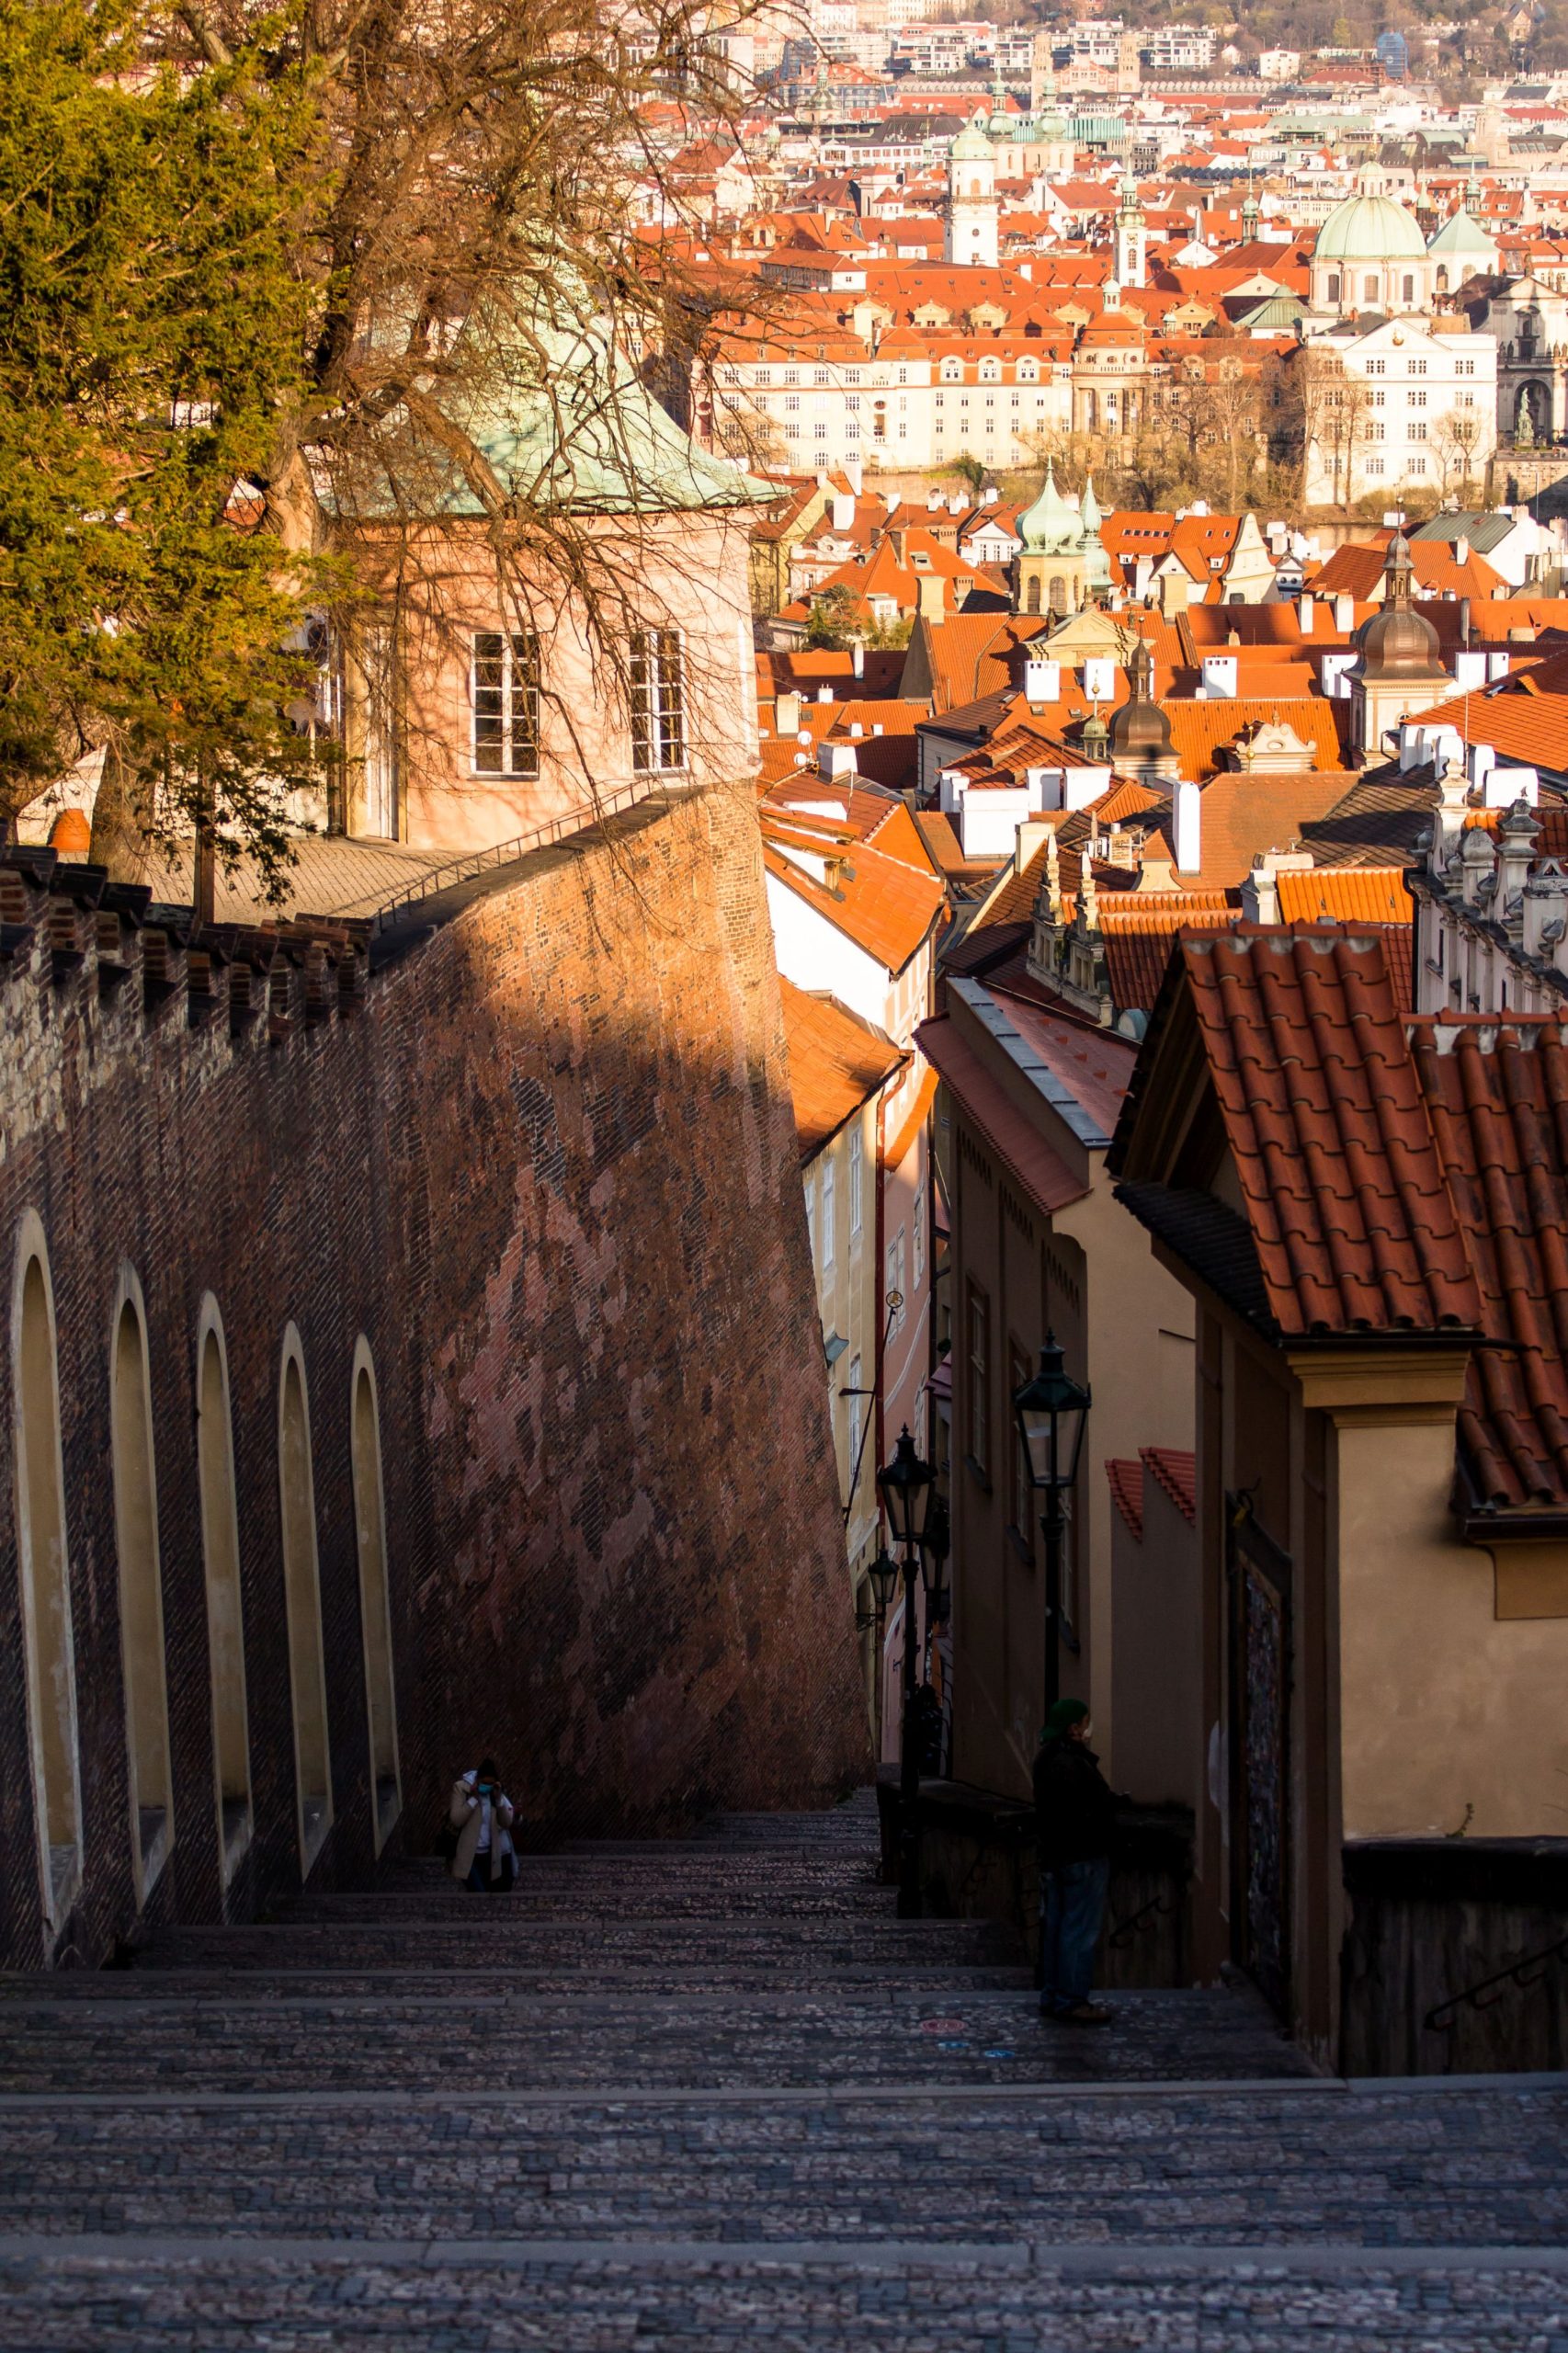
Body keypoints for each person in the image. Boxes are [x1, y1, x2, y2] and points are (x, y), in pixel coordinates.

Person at [1033, 1697, 1116, 2025]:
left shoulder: (1046, 1759)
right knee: (1079, 1931)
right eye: (1084, 1722)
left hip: (1055, 1856)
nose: (1087, 1728)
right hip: (1082, 1856)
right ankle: (1071, 1999)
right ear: (1073, 1728)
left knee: (1056, 1929)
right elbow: (1087, 1809)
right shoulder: (1072, 1764)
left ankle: (1053, 1993)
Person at [449, 1757, 517, 1892]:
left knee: (488, 1893)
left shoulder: (494, 1794)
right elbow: (456, 1820)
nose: (487, 1786)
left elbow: (506, 1823)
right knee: (478, 1892)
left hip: (489, 1855)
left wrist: (499, 1800)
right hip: (469, 1855)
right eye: (484, 1783)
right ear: (477, 1780)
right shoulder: (462, 1789)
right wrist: (473, 1799)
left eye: (490, 1784)